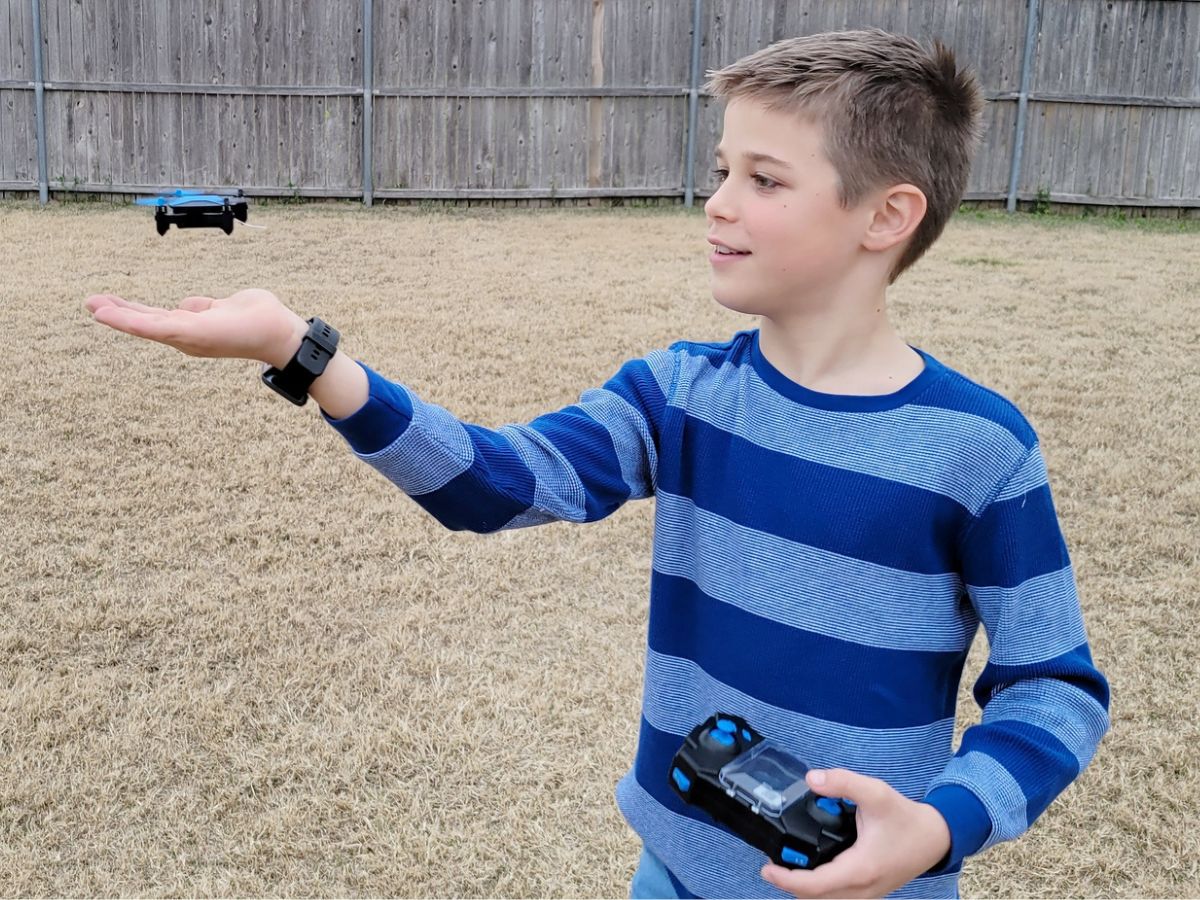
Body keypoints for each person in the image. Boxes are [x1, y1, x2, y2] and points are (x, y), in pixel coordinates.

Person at [85, 29, 1109, 900]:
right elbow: (492, 485)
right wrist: (303, 353)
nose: (715, 202)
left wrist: (938, 829)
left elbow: (1053, 689)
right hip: (667, 869)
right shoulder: (678, 397)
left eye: (763, 179)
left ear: (886, 216)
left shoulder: (979, 449)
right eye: (721, 170)